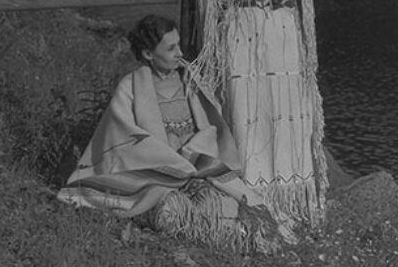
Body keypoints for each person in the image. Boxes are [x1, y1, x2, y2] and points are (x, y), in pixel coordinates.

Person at [58, 14, 280, 252]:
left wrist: (193, 154)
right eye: (171, 48)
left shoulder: (192, 82)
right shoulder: (130, 87)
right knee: (170, 211)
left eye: (179, 45)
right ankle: (200, 232)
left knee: (224, 206)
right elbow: (122, 138)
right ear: (148, 54)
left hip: (197, 169)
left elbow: (211, 129)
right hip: (155, 175)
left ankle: (220, 234)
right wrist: (169, 162)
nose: (180, 54)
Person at [193, 0, 328, 227]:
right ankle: (250, 205)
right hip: (242, 45)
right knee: (248, 119)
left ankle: (296, 207)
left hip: (285, 42)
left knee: (288, 122)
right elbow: (208, 2)